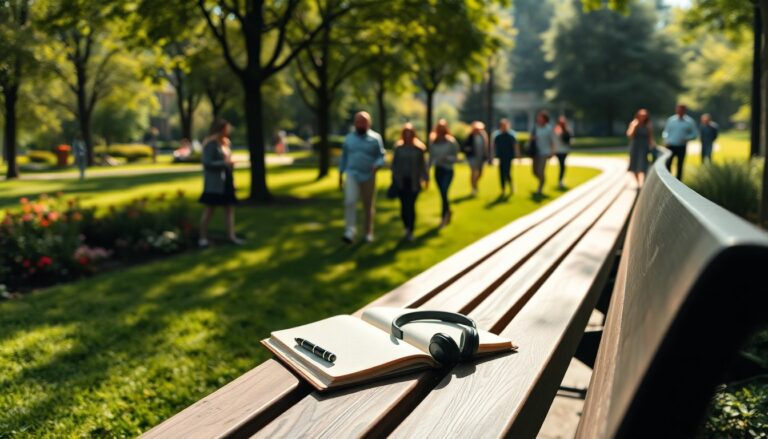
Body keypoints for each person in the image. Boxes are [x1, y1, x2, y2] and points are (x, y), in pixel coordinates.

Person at [339, 111, 385, 243]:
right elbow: (344, 158)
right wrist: (340, 174)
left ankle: (368, 232)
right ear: (355, 123)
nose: (360, 124)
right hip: (352, 174)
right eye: (358, 121)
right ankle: (350, 231)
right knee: (350, 201)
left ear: (369, 123)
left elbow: (381, 156)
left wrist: (377, 165)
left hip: (369, 176)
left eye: (363, 121)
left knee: (368, 205)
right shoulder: (349, 139)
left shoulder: (375, 138)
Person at [198, 119, 243, 247]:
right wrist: (225, 164)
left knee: (229, 210)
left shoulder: (226, 143)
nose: (228, 131)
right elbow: (207, 163)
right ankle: (202, 238)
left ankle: (231, 236)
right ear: (220, 129)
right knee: (209, 210)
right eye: (226, 129)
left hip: (226, 181)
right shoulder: (210, 144)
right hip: (214, 183)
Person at [391, 123, 429, 241]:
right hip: (401, 181)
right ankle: (406, 227)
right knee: (403, 207)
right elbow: (394, 164)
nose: (407, 136)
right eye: (405, 133)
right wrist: (395, 178)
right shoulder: (398, 148)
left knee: (411, 206)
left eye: (409, 133)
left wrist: (426, 178)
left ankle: (411, 230)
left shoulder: (419, 149)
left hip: (414, 182)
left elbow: (423, 165)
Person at [429, 119, 460, 227]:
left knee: (444, 191)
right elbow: (431, 158)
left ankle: (444, 217)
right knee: (442, 194)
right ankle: (448, 211)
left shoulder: (451, 141)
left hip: (448, 170)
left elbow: (456, 157)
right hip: (438, 170)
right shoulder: (433, 142)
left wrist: (447, 158)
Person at [662, 104, 698, 180]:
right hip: (670, 145)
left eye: (681, 110)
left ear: (684, 111)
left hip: (681, 146)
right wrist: (666, 139)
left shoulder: (690, 122)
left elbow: (694, 134)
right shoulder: (671, 120)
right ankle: (669, 180)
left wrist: (687, 138)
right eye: (678, 110)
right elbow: (665, 132)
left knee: (680, 165)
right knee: (668, 163)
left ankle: (678, 181)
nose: (680, 111)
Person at [626, 108, 656, 187]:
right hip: (635, 146)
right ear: (638, 116)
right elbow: (629, 135)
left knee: (644, 165)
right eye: (641, 116)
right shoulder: (634, 123)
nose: (643, 117)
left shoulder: (648, 125)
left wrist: (653, 145)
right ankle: (638, 183)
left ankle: (644, 183)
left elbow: (650, 137)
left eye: (644, 116)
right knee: (634, 165)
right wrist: (635, 127)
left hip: (644, 147)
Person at [491, 118, 520, 196]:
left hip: (509, 157)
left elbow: (515, 146)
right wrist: (492, 157)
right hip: (501, 157)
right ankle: (503, 189)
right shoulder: (497, 136)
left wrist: (518, 156)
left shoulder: (511, 135)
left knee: (507, 172)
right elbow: (493, 147)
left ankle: (511, 186)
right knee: (501, 173)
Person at [530, 110, 556, 197]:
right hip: (536, 152)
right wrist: (532, 139)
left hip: (545, 152)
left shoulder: (549, 129)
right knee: (534, 171)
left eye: (540, 118)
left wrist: (552, 152)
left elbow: (553, 141)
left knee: (541, 170)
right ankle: (542, 180)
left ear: (545, 119)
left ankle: (540, 188)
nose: (538, 119)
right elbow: (531, 139)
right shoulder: (535, 127)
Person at [462, 121, 490, 196]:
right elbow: (464, 147)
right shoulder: (470, 136)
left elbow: (486, 147)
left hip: (481, 158)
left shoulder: (483, 136)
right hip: (472, 157)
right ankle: (473, 188)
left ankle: (475, 184)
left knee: (480, 173)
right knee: (474, 172)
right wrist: (469, 149)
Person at [553, 116, 572, 190]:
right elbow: (554, 140)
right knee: (561, 165)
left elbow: (569, 140)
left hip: (564, 150)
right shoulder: (557, 130)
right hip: (558, 150)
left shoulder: (567, 130)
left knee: (562, 165)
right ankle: (560, 180)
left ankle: (560, 180)